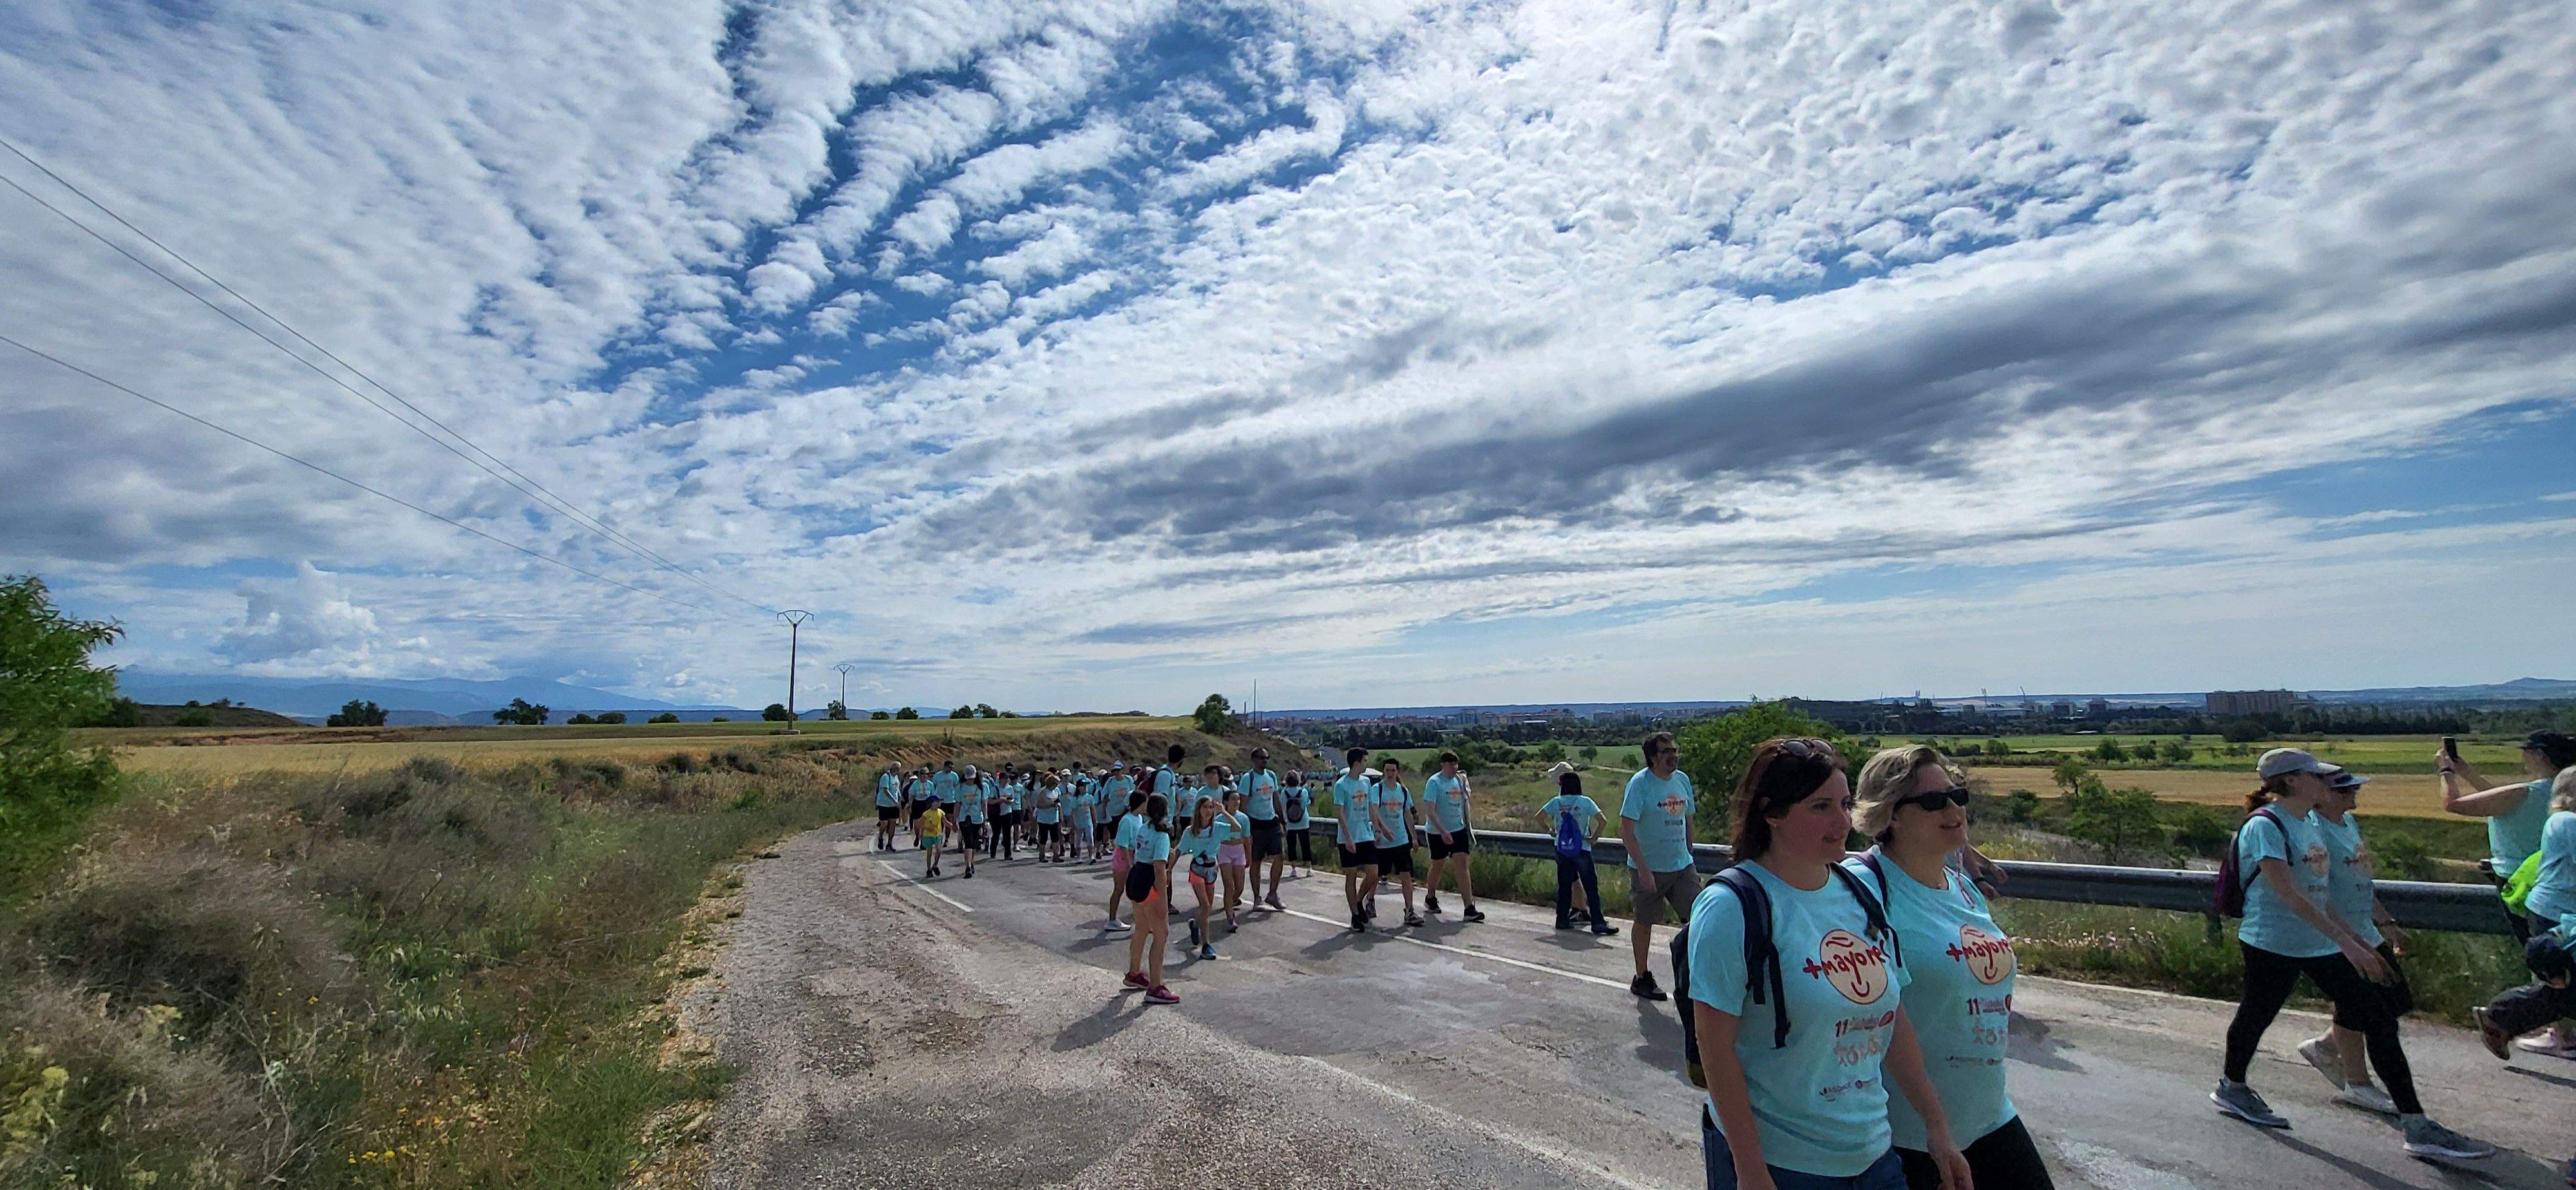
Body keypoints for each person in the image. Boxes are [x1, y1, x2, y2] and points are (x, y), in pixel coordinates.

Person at [1685, 737, 1969, 1190]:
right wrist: (1751, 1172)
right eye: (1820, 807)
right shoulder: (1731, 907)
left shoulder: (1861, 893)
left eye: (1844, 803)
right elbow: (1716, 1051)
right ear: (1772, 813)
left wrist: (1937, 1127)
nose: (1842, 821)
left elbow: (1893, 1018)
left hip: (1873, 1156)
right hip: (1783, 1164)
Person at [2214, 749, 2489, 1158]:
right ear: (2291, 782)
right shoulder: (2265, 826)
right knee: (2257, 1013)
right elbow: (2288, 895)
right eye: (2317, 777)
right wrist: (2348, 944)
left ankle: (2417, 1125)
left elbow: (2320, 895)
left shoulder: (2308, 821)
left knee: (2378, 1018)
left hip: (2319, 941)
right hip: (2272, 941)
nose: (2327, 783)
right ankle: (2233, 1087)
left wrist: (2360, 942)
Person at [1850, 746, 2053, 1189]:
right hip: (1910, 1133)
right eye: (1932, 801)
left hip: (1988, 1115)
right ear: (1891, 815)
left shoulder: (1962, 888)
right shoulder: (1863, 888)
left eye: (1957, 795)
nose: (1953, 808)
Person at [2294, 770, 2409, 1113]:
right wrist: (2350, 940)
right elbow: (2317, 893)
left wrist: (2386, 923)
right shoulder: (2315, 833)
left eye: (2354, 786)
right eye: (2345, 789)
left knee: (2396, 998)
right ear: (2320, 793)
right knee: (2360, 1005)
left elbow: (2361, 879)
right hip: (2337, 933)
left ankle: (2328, 1047)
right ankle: (2357, 1083)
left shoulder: (2347, 823)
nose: (2354, 792)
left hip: (2364, 929)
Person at [2474, 765, 2576, 1061]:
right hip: (2556, 915)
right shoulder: (2566, 822)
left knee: (2567, 988)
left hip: (2562, 912)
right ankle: (2499, 1015)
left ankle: (2500, 1019)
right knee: (2566, 987)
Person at [2442, 731, 2576, 941]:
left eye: (2526, 751)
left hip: (2518, 879)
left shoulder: (2524, 792)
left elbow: (2453, 804)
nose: (2523, 756)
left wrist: (2446, 772)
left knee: (2535, 947)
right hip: (2558, 878)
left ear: (2539, 754)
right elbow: (2499, 800)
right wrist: (2468, 773)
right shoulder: (2565, 792)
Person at [1624, 732, 1702, 1002]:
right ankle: (1642, 976)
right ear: (1652, 758)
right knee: (1645, 921)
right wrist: (1643, 870)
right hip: (1650, 867)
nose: (1673, 756)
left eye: (1674, 750)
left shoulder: (1682, 781)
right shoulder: (1640, 785)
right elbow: (1627, 830)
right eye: (1666, 752)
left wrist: (1689, 849)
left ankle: (1696, 978)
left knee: (1698, 920)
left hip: (1681, 866)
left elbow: (1688, 817)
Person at [1540, 766, 1618, 936]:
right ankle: (1598, 922)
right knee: (1591, 886)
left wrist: (1550, 832)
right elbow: (1602, 821)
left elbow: (1539, 816)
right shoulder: (1585, 802)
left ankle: (1562, 920)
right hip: (1582, 848)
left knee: (1564, 886)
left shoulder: (1557, 802)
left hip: (1562, 849)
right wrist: (1594, 838)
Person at [1121, 793, 1180, 1005]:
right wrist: (1164, 898)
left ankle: (1134, 973)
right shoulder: (1162, 835)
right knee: (1161, 934)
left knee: (1141, 929)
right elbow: (1159, 868)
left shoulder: (1144, 828)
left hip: (1137, 876)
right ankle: (1155, 987)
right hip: (1150, 883)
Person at [1420, 751, 1486, 922]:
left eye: (1456, 764)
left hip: (1458, 829)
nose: (1454, 768)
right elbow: (1430, 810)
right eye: (1450, 764)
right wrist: (1443, 831)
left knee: (1462, 865)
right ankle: (1431, 896)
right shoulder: (1434, 782)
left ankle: (1469, 907)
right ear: (1443, 765)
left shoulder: (1459, 780)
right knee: (1438, 865)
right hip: (1437, 832)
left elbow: (1465, 803)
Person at [1333, 747, 1380, 933]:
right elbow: (1340, 813)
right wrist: (1348, 837)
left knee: (1374, 874)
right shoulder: (1341, 785)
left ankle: (1359, 900)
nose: (1366, 765)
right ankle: (1354, 915)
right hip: (1348, 838)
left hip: (1365, 834)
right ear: (1357, 762)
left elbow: (1370, 807)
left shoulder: (1366, 782)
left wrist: (1376, 828)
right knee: (1351, 876)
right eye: (1365, 761)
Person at [1374, 757, 1423, 927]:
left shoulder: (1403, 791)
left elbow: (1408, 815)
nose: (1390, 774)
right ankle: (1370, 902)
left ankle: (1409, 911)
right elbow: (1373, 812)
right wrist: (1379, 831)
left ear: (1397, 772)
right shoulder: (1377, 790)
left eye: (1393, 771)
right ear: (1383, 772)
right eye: (1387, 770)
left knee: (1406, 876)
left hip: (1401, 840)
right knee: (1375, 876)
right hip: (1382, 843)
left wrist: (1414, 838)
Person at [1179, 796, 1227, 959]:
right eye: (1205, 807)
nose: (1208, 811)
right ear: (1199, 809)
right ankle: (1206, 944)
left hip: (1212, 869)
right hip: (1197, 869)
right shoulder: (1191, 831)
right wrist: (1168, 870)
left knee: (1207, 909)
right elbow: (1179, 851)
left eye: (1211, 807)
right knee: (1205, 905)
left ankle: (1195, 924)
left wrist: (1224, 812)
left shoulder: (1218, 828)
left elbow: (1237, 827)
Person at [1241, 749, 1289, 911]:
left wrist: (1282, 820)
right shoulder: (1248, 779)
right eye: (1262, 758)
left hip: (1271, 822)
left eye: (1267, 758)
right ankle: (1257, 898)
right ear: (1254, 759)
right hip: (1256, 824)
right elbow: (1243, 806)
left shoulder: (1272, 776)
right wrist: (1246, 832)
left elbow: (1275, 799)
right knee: (1256, 861)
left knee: (1280, 857)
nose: (1265, 761)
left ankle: (1273, 894)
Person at [1103, 788, 1148, 932]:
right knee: (1119, 889)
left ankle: (1142, 920)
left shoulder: (1139, 818)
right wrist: (1130, 865)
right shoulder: (1127, 820)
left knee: (1137, 890)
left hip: (1135, 855)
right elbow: (1122, 845)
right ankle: (1112, 920)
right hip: (1124, 858)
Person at [1213, 769, 1251, 927]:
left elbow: (1247, 839)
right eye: (1233, 800)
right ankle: (1230, 916)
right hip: (1225, 851)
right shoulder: (1219, 818)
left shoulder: (1244, 819)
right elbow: (1215, 839)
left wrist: (1249, 856)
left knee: (1239, 887)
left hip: (1239, 852)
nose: (1236, 803)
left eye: (1238, 800)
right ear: (1226, 803)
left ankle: (1230, 900)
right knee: (1228, 885)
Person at [952, 766, 986, 880]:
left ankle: (971, 863)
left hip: (977, 817)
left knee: (974, 843)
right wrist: (954, 819)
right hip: (964, 817)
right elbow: (958, 804)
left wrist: (985, 819)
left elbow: (984, 803)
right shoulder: (960, 787)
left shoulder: (982, 787)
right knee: (968, 841)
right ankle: (967, 867)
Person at [1282, 770, 1314, 876]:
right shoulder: (1303, 792)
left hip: (1290, 823)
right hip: (1303, 821)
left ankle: (1294, 869)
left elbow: (1283, 807)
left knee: (1292, 846)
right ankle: (1309, 868)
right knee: (1305, 844)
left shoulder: (1284, 793)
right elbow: (1307, 803)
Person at [1034, 772, 1065, 862]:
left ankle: (1056, 855)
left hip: (1054, 818)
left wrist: (1061, 815)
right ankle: (1042, 855)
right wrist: (1050, 805)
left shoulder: (1056, 791)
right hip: (1044, 819)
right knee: (1043, 838)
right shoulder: (1043, 791)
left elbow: (1059, 803)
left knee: (1055, 838)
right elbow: (1039, 805)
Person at [873, 765, 902, 851]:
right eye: (899, 768)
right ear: (895, 768)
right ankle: (881, 837)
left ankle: (889, 844)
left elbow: (897, 789)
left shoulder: (896, 778)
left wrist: (900, 798)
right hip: (884, 804)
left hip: (894, 806)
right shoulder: (886, 777)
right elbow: (885, 791)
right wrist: (894, 801)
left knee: (893, 824)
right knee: (884, 823)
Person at [918, 802, 946, 878]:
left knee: (939, 850)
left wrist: (952, 826)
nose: (939, 803)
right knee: (929, 853)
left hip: (937, 835)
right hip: (928, 835)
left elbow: (945, 822)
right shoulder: (926, 814)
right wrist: (924, 831)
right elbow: (919, 823)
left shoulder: (941, 812)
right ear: (932, 803)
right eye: (937, 802)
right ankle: (929, 869)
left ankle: (935, 865)